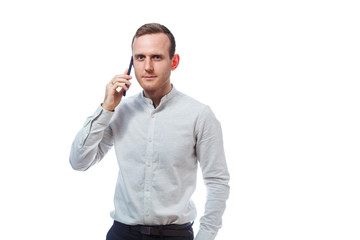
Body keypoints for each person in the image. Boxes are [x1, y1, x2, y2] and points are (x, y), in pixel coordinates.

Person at [70, 23, 230, 240]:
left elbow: (217, 180)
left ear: (174, 62)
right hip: (122, 234)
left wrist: (206, 235)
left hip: (175, 235)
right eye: (140, 57)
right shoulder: (118, 111)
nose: (147, 67)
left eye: (156, 57)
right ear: (131, 63)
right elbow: (79, 161)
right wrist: (106, 107)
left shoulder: (199, 115)